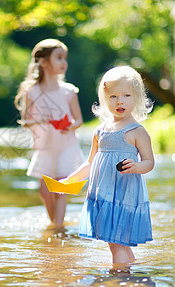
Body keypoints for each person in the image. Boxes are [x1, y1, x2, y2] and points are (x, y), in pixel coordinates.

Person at [62, 65, 154, 264]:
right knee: (118, 243)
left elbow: (149, 162)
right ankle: (129, 274)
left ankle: (119, 280)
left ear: (137, 98)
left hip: (124, 195)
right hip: (103, 195)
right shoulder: (100, 131)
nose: (119, 101)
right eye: (113, 96)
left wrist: (137, 166)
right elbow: (90, 163)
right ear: (105, 100)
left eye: (126, 95)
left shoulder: (137, 131)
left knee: (116, 244)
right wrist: (70, 180)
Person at [14, 39, 84, 228]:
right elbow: (25, 122)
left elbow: (79, 120)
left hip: (66, 146)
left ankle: (57, 229)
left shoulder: (69, 91)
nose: (64, 62)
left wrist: (70, 126)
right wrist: (42, 120)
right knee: (45, 192)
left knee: (61, 189)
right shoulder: (32, 91)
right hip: (44, 148)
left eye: (65, 58)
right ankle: (55, 225)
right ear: (44, 62)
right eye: (59, 57)